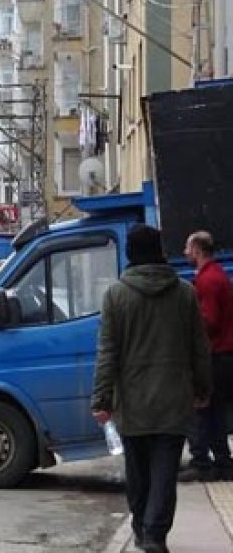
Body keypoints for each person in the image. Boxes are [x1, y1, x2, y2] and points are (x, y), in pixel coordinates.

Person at [91, 224, 212, 553]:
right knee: (165, 471)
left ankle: (142, 527)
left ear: (130, 253)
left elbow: (108, 353)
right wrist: (202, 387)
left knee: (138, 470)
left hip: (131, 401)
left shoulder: (116, 295)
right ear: (160, 251)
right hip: (174, 397)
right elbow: (198, 347)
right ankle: (155, 533)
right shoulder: (184, 292)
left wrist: (101, 398)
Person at [179, 230, 233, 482]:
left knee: (201, 408)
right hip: (223, 353)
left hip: (214, 354)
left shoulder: (207, 280)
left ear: (198, 250)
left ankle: (202, 462)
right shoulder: (217, 275)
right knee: (215, 411)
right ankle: (222, 461)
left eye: (188, 248)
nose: (184, 253)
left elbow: (209, 321)